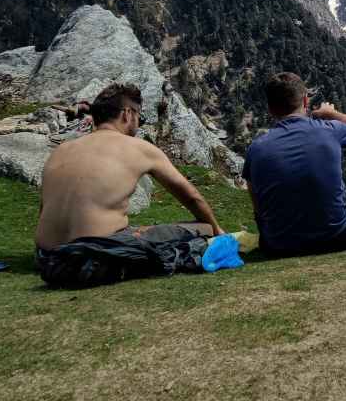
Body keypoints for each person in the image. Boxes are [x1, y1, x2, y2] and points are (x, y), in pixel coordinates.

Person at [35, 83, 225, 287]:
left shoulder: (61, 150)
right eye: (140, 118)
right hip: (96, 256)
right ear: (127, 114)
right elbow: (191, 197)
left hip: (47, 258)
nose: (138, 125)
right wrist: (218, 230)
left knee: (137, 228)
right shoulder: (139, 148)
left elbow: (44, 208)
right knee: (204, 228)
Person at [243, 72, 346, 256]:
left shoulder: (256, 148)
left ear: (270, 109)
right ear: (305, 101)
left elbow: (257, 201)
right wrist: (331, 114)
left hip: (278, 246)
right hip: (336, 238)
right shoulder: (328, 130)